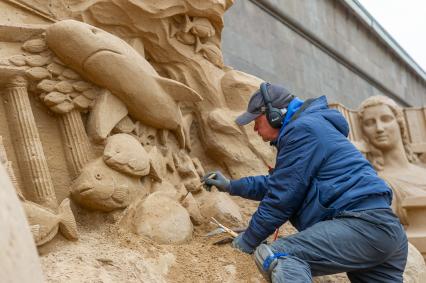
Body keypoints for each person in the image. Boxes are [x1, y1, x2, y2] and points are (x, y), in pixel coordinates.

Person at [203, 82, 408, 282]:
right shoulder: (312, 128)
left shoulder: (302, 130)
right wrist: (231, 186)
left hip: (362, 226)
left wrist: (247, 241)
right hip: (383, 231)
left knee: (279, 256)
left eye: (256, 120)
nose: (255, 128)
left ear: (275, 114)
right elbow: (278, 184)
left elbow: (281, 198)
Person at [358, 95, 426, 226]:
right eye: (369, 123)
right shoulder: (378, 183)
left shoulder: (423, 170)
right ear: (364, 132)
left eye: (386, 119)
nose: (379, 128)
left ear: (399, 123)